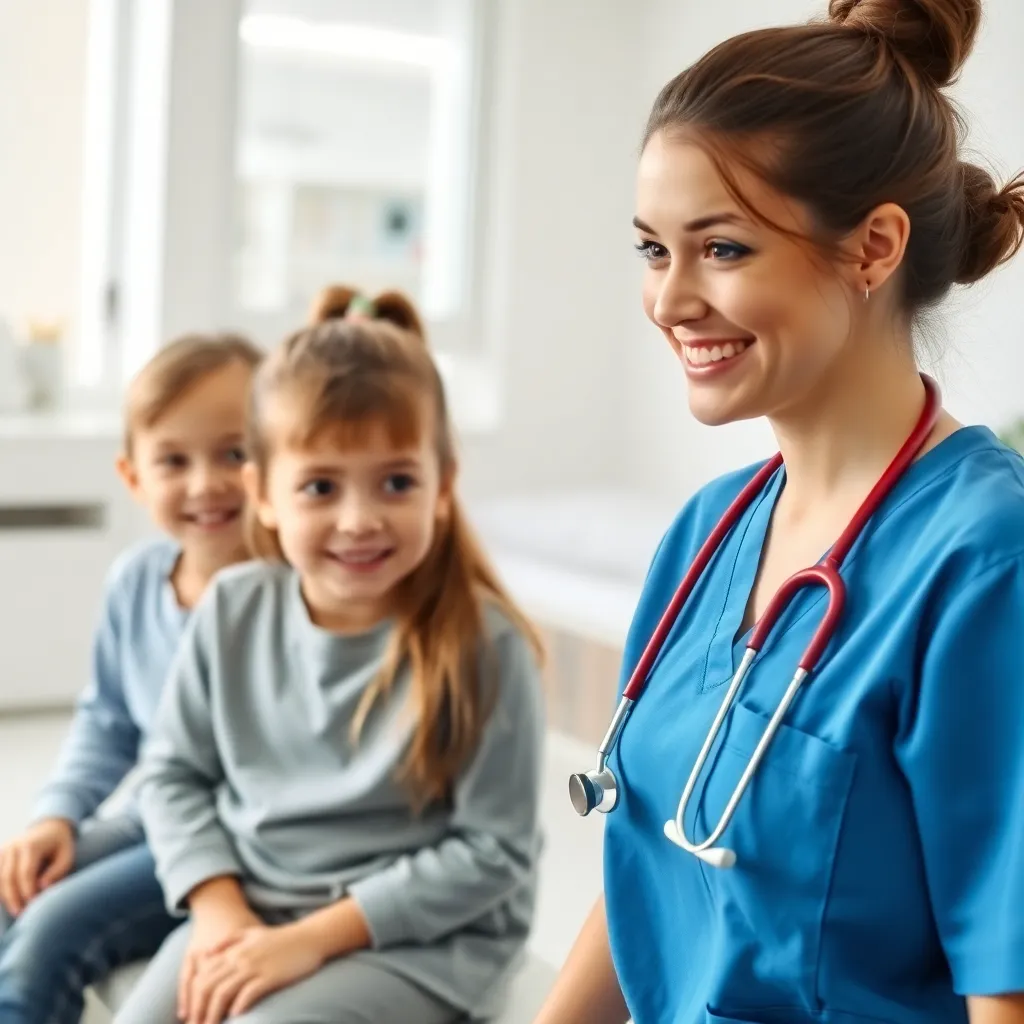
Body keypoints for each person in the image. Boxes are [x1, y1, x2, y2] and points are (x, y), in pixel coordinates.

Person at [534, 1, 1024, 1022]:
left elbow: (1003, 973)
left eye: (718, 250)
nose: (668, 301)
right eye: (650, 251)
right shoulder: (708, 532)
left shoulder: (984, 558)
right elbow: (651, 863)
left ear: (872, 248)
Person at [114, 291, 545, 1024]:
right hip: (255, 905)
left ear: (443, 485)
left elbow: (493, 853)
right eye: (319, 486)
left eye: (397, 482)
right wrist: (220, 914)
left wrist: (312, 940)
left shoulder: (486, 644)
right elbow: (172, 774)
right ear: (264, 495)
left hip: (419, 941)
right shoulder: (233, 607)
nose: (359, 519)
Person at [0, 333, 262, 1023]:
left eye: (234, 453)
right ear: (133, 476)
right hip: (149, 818)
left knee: (47, 939)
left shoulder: (290, 599)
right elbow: (107, 720)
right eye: (173, 460)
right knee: (11, 892)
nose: (205, 483)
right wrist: (57, 814)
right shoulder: (137, 582)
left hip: (235, 846)